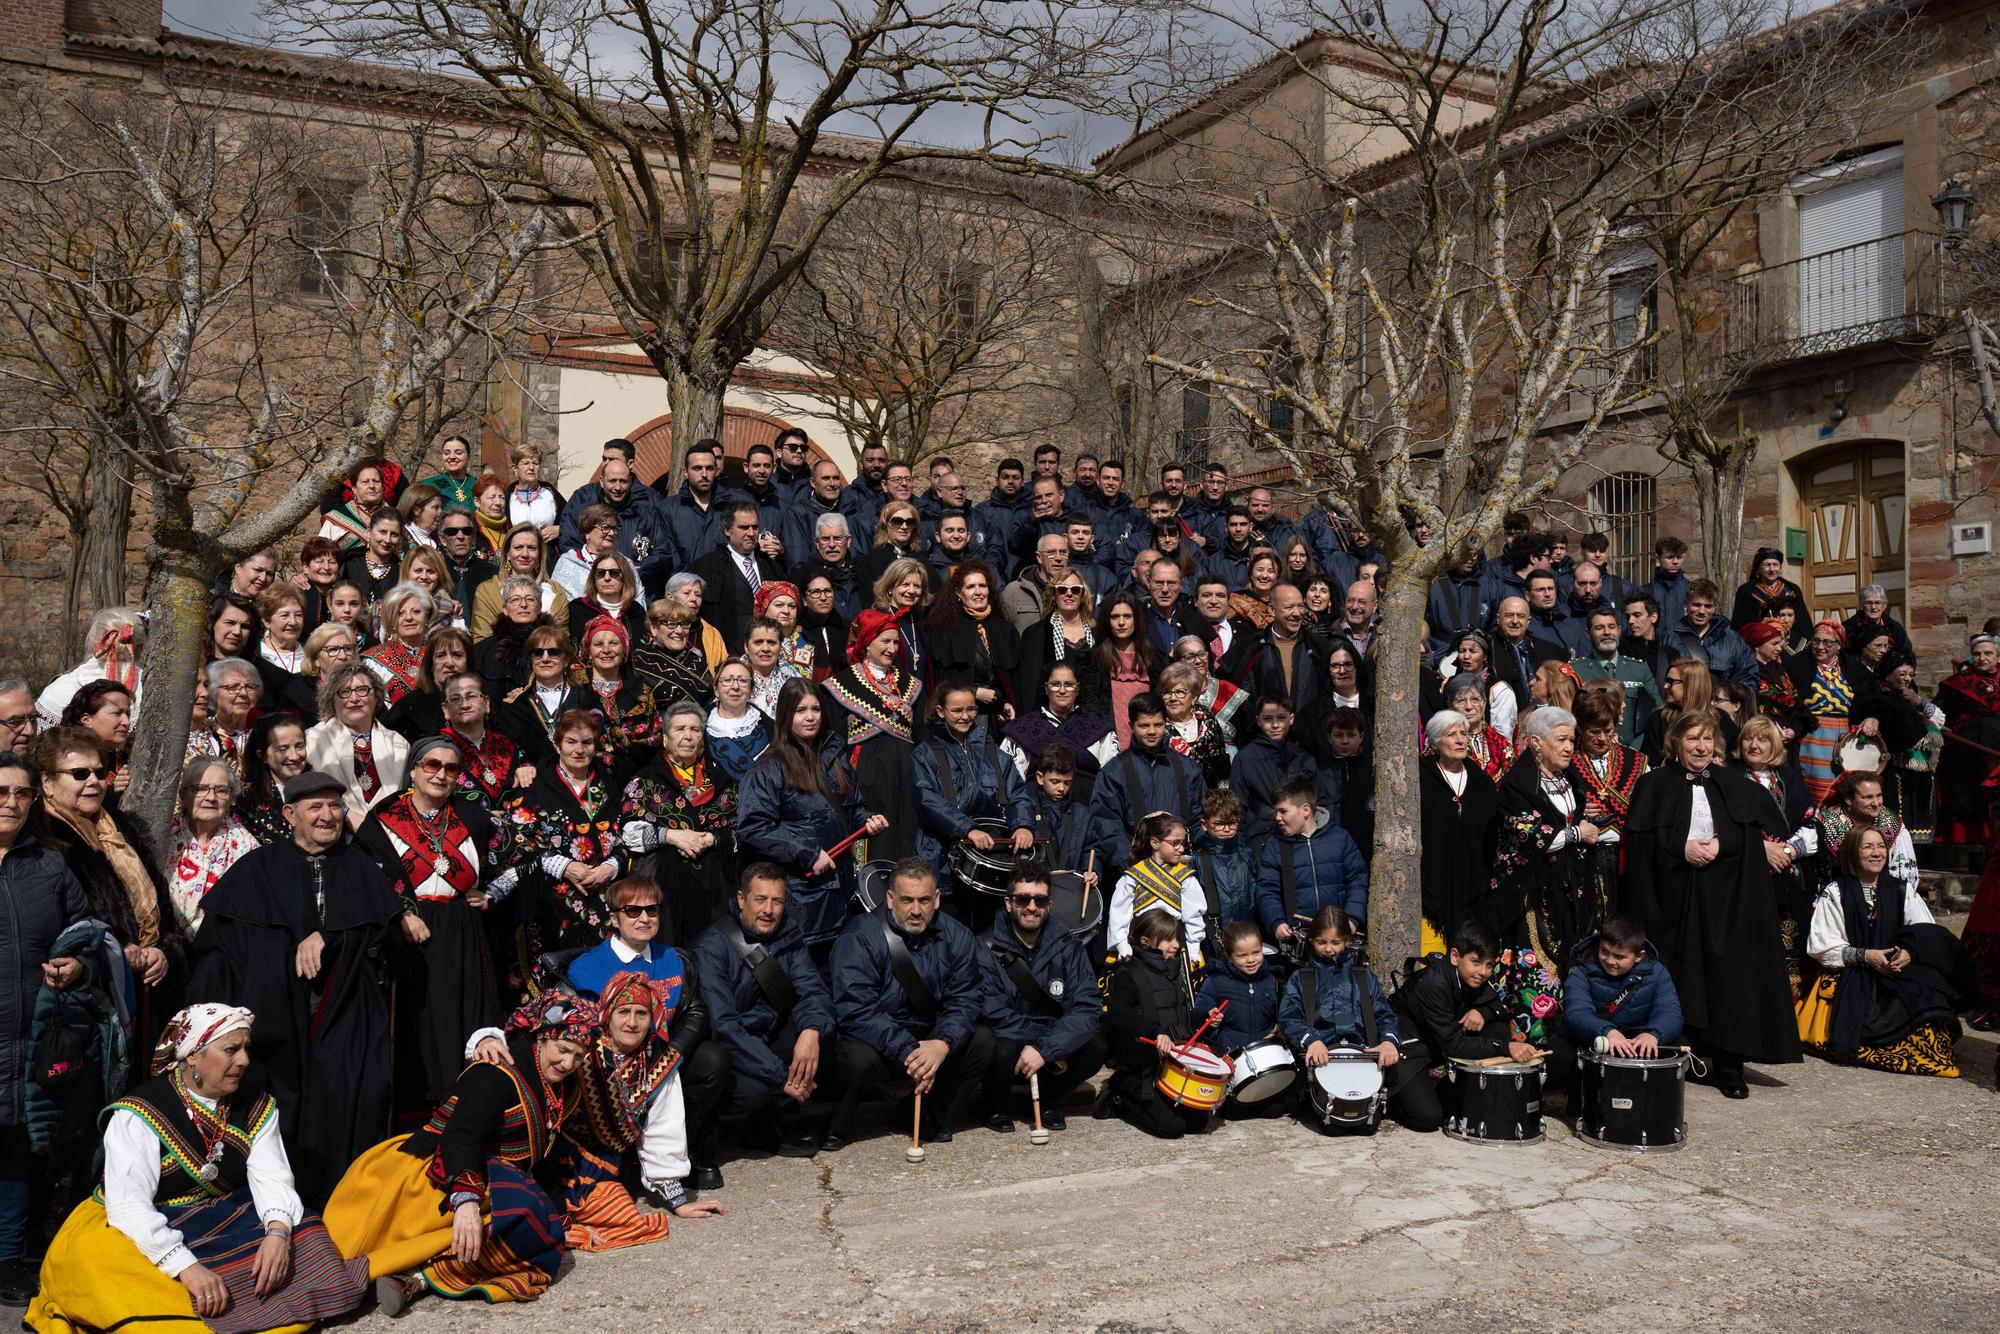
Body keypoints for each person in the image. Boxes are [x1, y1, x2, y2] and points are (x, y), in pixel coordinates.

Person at [26, 1004, 370, 1333]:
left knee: (307, 1231)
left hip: (220, 1211)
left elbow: (272, 1176)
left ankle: (246, 1305)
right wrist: (187, 1267)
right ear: (193, 1053)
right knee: (103, 1262)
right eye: (231, 1049)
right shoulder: (137, 1114)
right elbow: (129, 1206)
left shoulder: (257, 1106)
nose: (245, 1061)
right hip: (143, 1218)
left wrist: (278, 1235)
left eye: (246, 1048)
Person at [186, 770, 410, 1202]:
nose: (327, 816)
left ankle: (340, 1207)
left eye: (334, 806)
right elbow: (219, 948)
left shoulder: (361, 865)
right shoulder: (257, 868)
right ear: (290, 814)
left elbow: (386, 936)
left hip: (346, 1014)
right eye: (315, 807)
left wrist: (334, 936)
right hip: (271, 1021)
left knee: (350, 1100)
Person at [320, 989, 592, 1314]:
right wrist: (466, 1202)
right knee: (524, 1215)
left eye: (579, 1056)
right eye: (562, 1050)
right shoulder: (496, 1070)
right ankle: (396, 1271)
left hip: (492, 1177)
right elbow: (462, 1135)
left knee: (543, 1228)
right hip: (436, 1172)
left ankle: (419, 1278)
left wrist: (561, 1205)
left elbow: (543, 1147)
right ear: (541, 1037)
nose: (568, 1063)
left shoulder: (564, 1086)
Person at [1625, 712, 1803, 1098]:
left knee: (1729, 977)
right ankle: (1680, 1054)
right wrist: (1679, 848)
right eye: (1692, 739)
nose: (1701, 747)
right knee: (1680, 974)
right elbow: (1641, 845)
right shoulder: (1654, 784)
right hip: (1673, 895)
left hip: (1726, 897)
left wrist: (1722, 845)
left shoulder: (1732, 784)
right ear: (1676, 743)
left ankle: (1729, 1066)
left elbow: (1747, 837)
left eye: (1707, 740)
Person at [354, 736, 505, 1112]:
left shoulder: (474, 815)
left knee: (461, 1018)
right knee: (417, 1027)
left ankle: (461, 1108)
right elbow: (364, 877)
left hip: (462, 931)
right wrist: (402, 913)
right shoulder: (385, 817)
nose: (441, 774)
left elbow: (522, 856)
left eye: (451, 768)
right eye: (432, 765)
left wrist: (493, 893)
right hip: (408, 937)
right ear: (414, 770)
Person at [560, 877, 730, 1193]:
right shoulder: (587, 967)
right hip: (614, 1064)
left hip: (665, 1057)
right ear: (614, 917)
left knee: (713, 1059)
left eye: (651, 910)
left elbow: (696, 1011)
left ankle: (687, 1148)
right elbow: (583, 1025)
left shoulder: (674, 959)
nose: (644, 918)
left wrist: (668, 1056)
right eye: (633, 910)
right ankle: (622, 1158)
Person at [0, 752, 92, 1303]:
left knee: (16, 1144)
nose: (10, 802)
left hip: (32, 1032)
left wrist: (77, 964)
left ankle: (7, 1258)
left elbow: (83, 928)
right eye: (1, 791)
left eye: (21, 793)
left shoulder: (50, 863)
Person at [550, 970, 728, 1250]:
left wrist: (678, 1200)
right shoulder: (582, 1046)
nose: (632, 1022)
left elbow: (663, 1128)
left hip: (610, 1163)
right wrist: (489, 1040)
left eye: (641, 1014)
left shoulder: (659, 1059)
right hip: (558, 1154)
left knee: (625, 1215)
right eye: (623, 1012)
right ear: (607, 1013)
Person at [825, 858, 994, 1149]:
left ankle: (927, 1113)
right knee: (853, 1058)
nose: (916, 910)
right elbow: (855, 1007)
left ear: (937, 899)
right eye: (906, 900)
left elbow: (965, 998)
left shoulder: (958, 936)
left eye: (924, 900)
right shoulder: (860, 936)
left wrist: (943, 1042)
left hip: (929, 1039)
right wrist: (908, 1049)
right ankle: (837, 1124)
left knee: (983, 1042)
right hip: (879, 1040)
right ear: (890, 899)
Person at [1795, 826, 1972, 1077]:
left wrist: (1910, 952)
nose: (1876, 853)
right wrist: (1866, 956)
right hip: (1851, 969)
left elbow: (1925, 930)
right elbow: (1822, 946)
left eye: (1880, 846)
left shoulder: (1902, 890)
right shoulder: (1835, 892)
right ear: (1852, 854)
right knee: (1861, 1014)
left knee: (1927, 993)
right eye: (1867, 847)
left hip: (1895, 967)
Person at [692, 865, 842, 1157]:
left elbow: (812, 989)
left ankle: (764, 1129)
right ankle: (705, 1138)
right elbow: (723, 1026)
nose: (769, 910)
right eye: (760, 900)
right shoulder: (711, 947)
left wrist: (811, 1031)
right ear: (741, 899)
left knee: (825, 1038)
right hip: (732, 1047)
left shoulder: (788, 934)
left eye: (777, 901)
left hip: (768, 1035)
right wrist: (780, 1076)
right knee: (756, 1093)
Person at [1279, 906, 1440, 1132]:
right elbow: (1289, 1017)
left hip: (1366, 1059)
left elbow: (1385, 1014)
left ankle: (1385, 1101)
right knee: (1334, 1128)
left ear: (1347, 940)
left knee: (1427, 1119)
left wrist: (1389, 1041)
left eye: (1335, 942)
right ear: (1311, 941)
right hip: (1324, 1060)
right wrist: (1311, 1040)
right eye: (1321, 942)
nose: (1328, 949)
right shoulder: (1301, 978)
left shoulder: (1364, 977)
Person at [976, 864, 1107, 1133]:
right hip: (1010, 1040)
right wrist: (1042, 1045)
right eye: (1023, 899)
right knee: (997, 1045)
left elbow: (1087, 1007)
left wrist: (1047, 1049)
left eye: (1040, 900)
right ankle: (994, 1105)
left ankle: (1047, 1099)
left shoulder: (1068, 946)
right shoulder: (985, 947)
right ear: (1009, 903)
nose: (1032, 907)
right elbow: (991, 1012)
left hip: (1049, 1045)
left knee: (1097, 1046)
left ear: (1049, 905)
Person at [501, 709, 629, 966]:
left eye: (587, 742)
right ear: (557, 743)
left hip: (604, 891)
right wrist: (564, 866)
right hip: (551, 899)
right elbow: (516, 839)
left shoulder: (609, 783)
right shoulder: (535, 784)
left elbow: (626, 832)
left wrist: (610, 867)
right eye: (571, 741)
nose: (579, 750)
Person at [1099, 907, 1223, 1139]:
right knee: (1172, 1128)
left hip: (1169, 1063)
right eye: (1167, 939)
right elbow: (1117, 1014)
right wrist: (1154, 1032)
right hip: (1141, 1065)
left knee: (1197, 1123)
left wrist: (1205, 1019)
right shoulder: (1127, 973)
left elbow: (1179, 1016)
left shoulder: (1174, 972)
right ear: (1146, 941)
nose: (1176, 944)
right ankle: (1120, 1095)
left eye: (1177, 938)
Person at [914, 679, 1036, 907]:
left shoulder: (993, 752)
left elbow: (1018, 793)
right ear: (941, 711)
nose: (965, 716)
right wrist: (967, 828)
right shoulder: (925, 753)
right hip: (942, 857)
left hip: (995, 856)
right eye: (957, 710)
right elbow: (927, 800)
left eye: (971, 709)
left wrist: (1022, 824)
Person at [822, 608, 924, 863]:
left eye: (896, 642)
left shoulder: (909, 684)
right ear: (867, 642)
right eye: (885, 641)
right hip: (865, 773)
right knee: (874, 839)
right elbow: (835, 739)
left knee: (906, 835)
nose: (891, 648)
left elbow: (921, 735)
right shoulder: (842, 684)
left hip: (906, 771)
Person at [1394, 919, 1549, 1077]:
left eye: (1489, 965)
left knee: (1497, 1030)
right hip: (1408, 1051)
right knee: (1426, 1102)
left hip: (1440, 1043)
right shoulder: (1433, 984)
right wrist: (1506, 1047)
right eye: (1476, 962)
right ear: (1455, 956)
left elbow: (1499, 1008)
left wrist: (1482, 1012)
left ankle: (1470, 1095)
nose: (1483, 971)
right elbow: (1453, 1045)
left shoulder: (1472, 976)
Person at [1086, 692, 1206, 878]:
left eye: (1157, 725)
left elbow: (1198, 816)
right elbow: (1106, 823)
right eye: (1144, 725)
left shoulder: (1186, 768)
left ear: (1166, 723)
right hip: (1135, 871)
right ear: (1131, 726)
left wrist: (1195, 858)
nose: (1151, 731)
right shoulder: (1114, 772)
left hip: (1182, 869)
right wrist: (1131, 865)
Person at [1418, 710, 1501, 958]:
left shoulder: (1482, 784)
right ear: (1434, 741)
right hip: (1432, 881)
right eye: (1451, 734)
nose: (1460, 740)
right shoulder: (1421, 777)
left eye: (1463, 734)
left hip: (1472, 883)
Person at [1255, 777, 1368, 951]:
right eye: (1276, 811)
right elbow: (1267, 890)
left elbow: (1357, 880)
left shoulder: (1340, 838)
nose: (1277, 817)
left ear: (1306, 810)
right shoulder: (1275, 847)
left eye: (1283, 811)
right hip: (1299, 941)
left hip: (1338, 938)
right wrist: (1276, 922)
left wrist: (1352, 919)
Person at [1569, 688, 1645, 930]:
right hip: (1582, 860)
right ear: (1580, 728)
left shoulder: (1636, 761)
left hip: (1625, 858)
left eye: (1608, 731)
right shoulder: (1566, 760)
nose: (1602, 738)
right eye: (1594, 731)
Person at [1561, 913, 1684, 1058]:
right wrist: (1607, 1032)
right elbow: (1576, 1013)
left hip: (1639, 1038)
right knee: (1560, 1053)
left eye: (1619, 957)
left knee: (1678, 1046)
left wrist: (1653, 1034)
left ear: (1639, 956)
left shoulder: (1657, 972)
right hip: (1597, 1037)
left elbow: (1670, 1012)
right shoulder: (1582, 969)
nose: (1610, 961)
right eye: (1604, 951)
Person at [306, 665, 410, 826]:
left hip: (392, 830)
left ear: (376, 697)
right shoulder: (313, 739)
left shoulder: (399, 744)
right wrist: (346, 813)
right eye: (345, 691)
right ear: (331, 699)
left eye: (362, 690)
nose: (354, 698)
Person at [166, 757, 259, 934]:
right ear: (183, 794)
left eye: (221, 791)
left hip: (219, 947)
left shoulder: (246, 846)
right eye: (200, 789)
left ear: (231, 798)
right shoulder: (163, 833)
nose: (211, 798)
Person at [999, 661, 1118, 799]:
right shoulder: (1022, 728)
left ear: (1077, 689)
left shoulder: (1099, 729)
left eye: (1069, 685)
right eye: (1055, 684)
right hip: (1036, 810)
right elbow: (1009, 781)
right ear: (1046, 688)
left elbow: (1112, 779)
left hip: (1089, 808)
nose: (1062, 690)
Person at [1109, 811, 1210, 970]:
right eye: (1175, 843)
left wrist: (1194, 950)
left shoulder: (1186, 878)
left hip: (1177, 949)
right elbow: (1118, 916)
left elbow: (1194, 917)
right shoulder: (1132, 877)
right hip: (1139, 950)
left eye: (1183, 843)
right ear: (1155, 843)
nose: (1181, 849)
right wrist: (1122, 947)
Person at [690, 502, 787, 655]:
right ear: (727, 530)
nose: (751, 533)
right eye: (743, 527)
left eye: (754, 527)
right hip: (729, 653)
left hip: (769, 652)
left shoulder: (772, 566)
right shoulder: (707, 567)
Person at [574, 614, 661, 780]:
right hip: (585, 776)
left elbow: (654, 737)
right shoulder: (575, 688)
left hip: (635, 775)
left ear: (624, 650)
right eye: (598, 644)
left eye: (614, 643)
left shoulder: (641, 690)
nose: (606, 650)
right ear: (589, 652)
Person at [494, 625, 594, 766]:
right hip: (535, 782)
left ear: (565, 659)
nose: (545, 659)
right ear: (530, 660)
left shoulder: (586, 698)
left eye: (554, 652)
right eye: (538, 653)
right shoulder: (515, 706)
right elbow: (507, 753)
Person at [1934, 633, 2000, 846]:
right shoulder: (1956, 685)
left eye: (1988, 653)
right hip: (1969, 750)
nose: (1982, 658)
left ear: (1998, 657)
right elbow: (1938, 713)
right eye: (1977, 654)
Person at [1232, 694, 1319, 847]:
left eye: (1281, 718)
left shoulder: (1305, 758)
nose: (1275, 725)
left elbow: (1319, 800)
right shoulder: (1245, 758)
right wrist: (1240, 847)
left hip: (1303, 838)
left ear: (1291, 719)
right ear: (1258, 720)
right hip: (1262, 838)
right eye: (1267, 719)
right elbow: (1237, 807)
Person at [1193, 920, 1283, 1064]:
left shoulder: (1273, 980)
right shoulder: (1216, 982)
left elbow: (1287, 1014)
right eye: (1242, 956)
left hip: (1267, 1055)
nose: (1251, 960)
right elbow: (1197, 1017)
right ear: (1229, 956)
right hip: (1230, 1057)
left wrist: (1282, 1027)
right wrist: (1208, 1019)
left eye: (1256, 952)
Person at [1795, 622, 1860, 803]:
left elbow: (1869, 698)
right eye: (1816, 641)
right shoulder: (1798, 666)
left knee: (1847, 788)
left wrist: (1870, 718)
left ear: (1839, 645)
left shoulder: (1852, 668)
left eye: (1827, 642)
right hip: (1814, 736)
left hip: (1846, 737)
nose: (1820, 647)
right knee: (1819, 789)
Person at [469, 525, 570, 641]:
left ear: (540, 554)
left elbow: (563, 640)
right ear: (507, 554)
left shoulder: (555, 592)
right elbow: (481, 641)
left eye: (531, 548)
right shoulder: (487, 591)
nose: (525, 554)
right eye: (518, 548)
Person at [383, 626, 475, 743]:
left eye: (457, 655)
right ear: (431, 664)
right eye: (441, 655)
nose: (450, 663)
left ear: (468, 663)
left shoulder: (480, 702)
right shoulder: (410, 705)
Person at [237, 714, 311, 845]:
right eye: (283, 749)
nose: (294, 756)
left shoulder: (322, 788)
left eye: (299, 746)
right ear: (263, 755)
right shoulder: (246, 800)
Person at [634, 600, 716, 711]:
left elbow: (711, 704)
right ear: (654, 628)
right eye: (671, 624)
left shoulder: (697, 661)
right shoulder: (639, 661)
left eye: (685, 624)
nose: (679, 631)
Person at [702, 659, 770, 784]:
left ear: (751, 690)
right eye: (727, 680)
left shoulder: (771, 729)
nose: (735, 687)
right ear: (716, 689)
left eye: (743, 681)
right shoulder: (697, 727)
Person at [319, 459, 391, 551]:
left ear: (382, 487)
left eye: (376, 481)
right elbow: (319, 555)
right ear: (354, 488)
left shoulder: (395, 518)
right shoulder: (334, 520)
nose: (372, 486)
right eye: (365, 482)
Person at [1731, 547, 1807, 629]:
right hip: (1759, 638)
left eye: (1775, 564)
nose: (1772, 569)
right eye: (1767, 565)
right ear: (1759, 568)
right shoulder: (1746, 591)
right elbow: (1740, 624)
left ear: (1780, 567)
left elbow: (1802, 622)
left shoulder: (1792, 589)